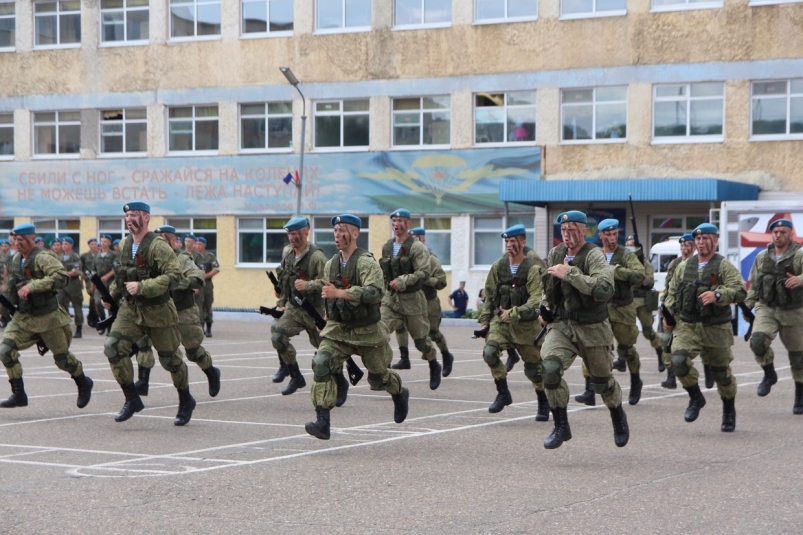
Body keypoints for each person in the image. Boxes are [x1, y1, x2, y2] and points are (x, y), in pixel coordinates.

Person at [303, 214, 408, 440]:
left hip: (367, 331)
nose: (337, 235)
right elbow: (328, 295)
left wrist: (341, 293)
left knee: (379, 378)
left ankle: (399, 392)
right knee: (321, 363)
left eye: (342, 230)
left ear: (355, 234)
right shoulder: (331, 264)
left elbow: (374, 292)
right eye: (335, 230)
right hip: (339, 329)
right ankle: (323, 421)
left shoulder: (366, 262)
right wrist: (327, 317)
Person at [540, 210, 629, 449]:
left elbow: (604, 288)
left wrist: (569, 273)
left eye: (572, 231)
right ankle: (561, 426)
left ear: (583, 231)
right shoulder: (555, 253)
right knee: (549, 369)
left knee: (602, 383)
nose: (567, 235)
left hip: (592, 326)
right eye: (563, 231)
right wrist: (545, 307)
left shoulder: (594, 255)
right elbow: (547, 285)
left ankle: (617, 416)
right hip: (563, 325)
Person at [102, 202, 196, 426]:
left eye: (134, 215)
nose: (129, 219)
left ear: (146, 218)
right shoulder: (125, 244)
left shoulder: (158, 246)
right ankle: (132, 398)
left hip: (159, 311)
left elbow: (175, 276)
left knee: (171, 360)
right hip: (131, 309)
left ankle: (185, 399)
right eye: (127, 215)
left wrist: (143, 287)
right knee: (113, 347)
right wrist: (112, 295)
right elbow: (122, 274)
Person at [663, 223, 746, 432]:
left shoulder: (723, 266)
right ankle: (695, 397)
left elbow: (740, 291)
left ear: (715, 240)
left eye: (705, 238)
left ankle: (728, 410)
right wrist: (669, 316)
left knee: (721, 374)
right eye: (698, 239)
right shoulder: (683, 266)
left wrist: (718, 295)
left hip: (715, 327)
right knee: (678, 361)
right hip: (688, 325)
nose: (701, 242)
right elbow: (672, 293)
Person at [0, 223, 93, 409]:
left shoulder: (43, 257)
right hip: (24, 317)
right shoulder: (16, 259)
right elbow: (11, 284)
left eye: (20, 240)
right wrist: (7, 306)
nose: (17, 244)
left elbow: (61, 277)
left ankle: (83, 382)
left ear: (32, 239)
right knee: (5, 350)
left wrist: (33, 286)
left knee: (63, 360)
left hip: (48, 317)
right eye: (14, 241)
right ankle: (19, 394)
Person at [131, 225, 221, 398]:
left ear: (173, 241)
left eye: (163, 238)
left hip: (182, 309)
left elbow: (197, 277)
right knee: (144, 343)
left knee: (193, 351)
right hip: (157, 310)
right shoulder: (148, 259)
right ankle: (143, 381)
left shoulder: (182, 258)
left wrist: (177, 283)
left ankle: (211, 372)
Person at [478, 223, 550, 420]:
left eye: (513, 241)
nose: (509, 245)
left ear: (523, 242)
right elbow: (490, 297)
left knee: (534, 370)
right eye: (507, 241)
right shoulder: (498, 267)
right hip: (501, 324)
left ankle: (543, 401)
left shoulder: (532, 268)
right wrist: (485, 321)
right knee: (490, 352)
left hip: (526, 327)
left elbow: (537, 299)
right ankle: (503, 392)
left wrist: (514, 312)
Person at [269, 216, 343, 401]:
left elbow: (329, 281)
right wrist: (281, 301)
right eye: (289, 234)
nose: (292, 238)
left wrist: (308, 285)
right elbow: (286, 280)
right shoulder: (288, 253)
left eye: (295, 234)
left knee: (325, 349)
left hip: (315, 310)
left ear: (305, 232)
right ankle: (296, 376)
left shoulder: (317, 257)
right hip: (294, 308)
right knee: (277, 334)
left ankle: (340, 381)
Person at [381, 209, 450, 387]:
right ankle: (383, 372)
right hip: (391, 301)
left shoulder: (418, 248)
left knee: (422, 341)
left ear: (408, 223)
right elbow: (385, 273)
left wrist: (404, 280)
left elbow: (423, 273)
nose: (396, 224)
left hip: (413, 301)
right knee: (379, 333)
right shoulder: (388, 246)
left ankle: (434, 364)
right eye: (394, 221)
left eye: (400, 221)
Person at [743, 218, 803, 414]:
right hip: (767, 308)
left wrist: (800, 279)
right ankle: (769, 374)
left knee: (798, 358)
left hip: (793, 311)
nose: (778, 235)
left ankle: (800, 396)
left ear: (790, 234)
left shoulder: (799, 255)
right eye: (775, 232)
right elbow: (754, 283)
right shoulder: (762, 257)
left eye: (783, 232)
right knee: (757, 340)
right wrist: (749, 304)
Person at [583, 219, 645, 406]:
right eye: (607, 235)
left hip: (622, 308)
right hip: (600, 309)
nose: (612, 238)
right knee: (592, 347)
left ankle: (636, 381)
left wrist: (615, 271)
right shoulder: (594, 255)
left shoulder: (626, 255)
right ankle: (589, 390)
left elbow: (640, 276)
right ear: (600, 235)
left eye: (614, 234)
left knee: (626, 349)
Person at [394, 228, 454, 375]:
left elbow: (442, 282)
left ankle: (446, 355)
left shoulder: (431, 259)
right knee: (399, 326)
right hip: (410, 301)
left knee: (432, 333)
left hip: (429, 302)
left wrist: (425, 279)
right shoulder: (406, 258)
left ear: (423, 239)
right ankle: (404, 358)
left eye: (415, 238)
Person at [659, 233, 696, 389]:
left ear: (693, 247)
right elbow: (668, 288)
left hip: (692, 313)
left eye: (687, 245)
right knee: (666, 341)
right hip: (674, 311)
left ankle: (709, 372)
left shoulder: (698, 264)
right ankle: (671, 376)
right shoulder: (674, 265)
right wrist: (664, 309)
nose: (684, 248)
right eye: (682, 245)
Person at [626, 234, 664, 372]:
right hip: (627, 301)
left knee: (648, 331)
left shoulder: (645, 263)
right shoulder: (623, 261)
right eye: (628, 245)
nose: (630, 247)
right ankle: (621, 358)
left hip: (642, 301)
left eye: (633, 245)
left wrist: (638, 276)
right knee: (625, 330)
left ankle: (660, 353)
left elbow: (649, 280)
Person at [57, 237, 84, 338]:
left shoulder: (75, 257)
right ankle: (63, 327)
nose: (64, 246)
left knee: (77, 307)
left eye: (66, 244)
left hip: (73, 286)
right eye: (63, 244)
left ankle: (79, 329)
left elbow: (77, 271)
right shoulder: (59, 257)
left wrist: (64, 274)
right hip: (62, 286)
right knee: (60, 305)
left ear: (71, 245)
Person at [93, 234, 118, 333]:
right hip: (99, 283)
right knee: (98, 303)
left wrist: (107, 276)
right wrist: (93, 284)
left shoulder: (114, 255)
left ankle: (110, 326)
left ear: (109, 243)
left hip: (111, 282)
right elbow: (93, 269)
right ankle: (102, 319)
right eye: (102, 241)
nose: (103, 243)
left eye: (105, 241)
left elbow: (116, 268)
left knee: (110, 304)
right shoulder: (97, 255)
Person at [195, 237, 219, 337]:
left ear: (204, 245)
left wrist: (204, 276)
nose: (197, 245)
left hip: (207, 285)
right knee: (198, 307)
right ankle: (200, 328)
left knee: (207, 306)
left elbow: (216, 269)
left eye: (200, 244)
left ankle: (208, 329)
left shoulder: (210, 256)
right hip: (196, 284)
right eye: (196, 243)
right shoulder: (192, 256)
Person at [81, 238, 99, 328]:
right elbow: (81, 269)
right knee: (92, 294)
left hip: (98, 279)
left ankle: (92, 314)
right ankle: (93, 315)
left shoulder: (100, 255)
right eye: (92, 244)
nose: (94, 246)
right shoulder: (84, 256)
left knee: (95, 297)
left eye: (95, 244)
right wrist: (81, 280)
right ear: (89, 245)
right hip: (89, 279)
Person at [0, 239, 12, 327]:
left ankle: (7, 319)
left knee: (5, 301)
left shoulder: (11, 255)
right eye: (3, 246)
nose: (4, 248)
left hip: (7, 281)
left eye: (6, 246)